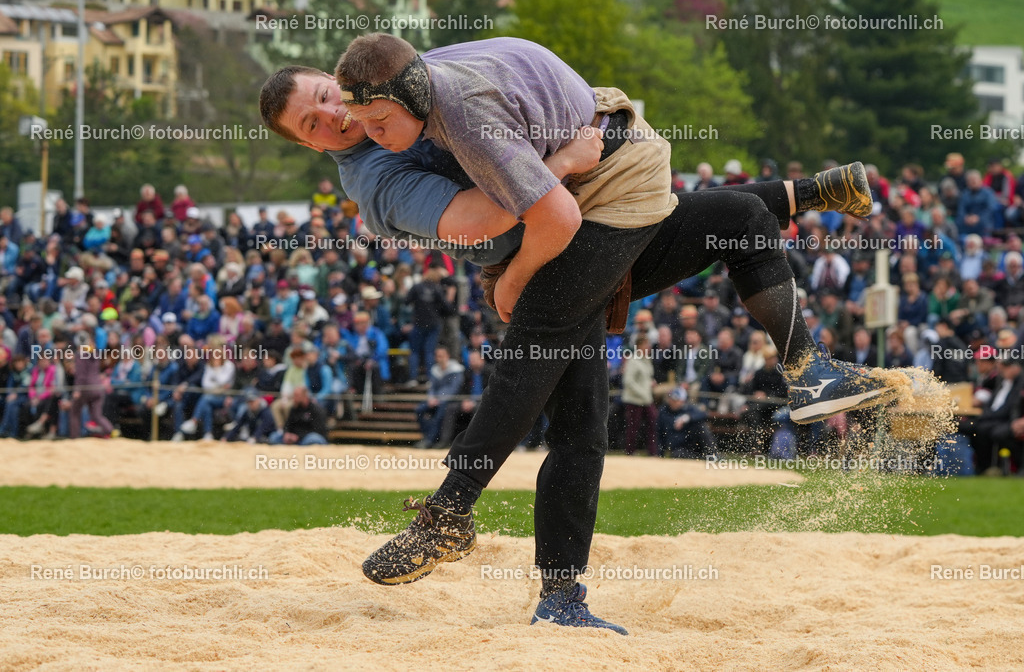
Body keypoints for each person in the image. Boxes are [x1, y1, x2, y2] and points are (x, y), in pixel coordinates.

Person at [260, 41, 891, 633]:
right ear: (308, 146)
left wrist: (566, 143)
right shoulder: (378, 180)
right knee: (553, 400)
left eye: (325, 96)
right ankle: (473, 535)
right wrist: (561, 168)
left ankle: (807, 365)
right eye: (310, 124)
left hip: (589, 217)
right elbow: (488, 217)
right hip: (547, 244)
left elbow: (508, 94)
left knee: (740, 222)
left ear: (344, 81)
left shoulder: (416, 83)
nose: (332, 117)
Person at [414, 345, 465, 448]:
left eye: (441, 356)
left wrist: (439, 399)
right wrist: (431, 398)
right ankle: (429, 437)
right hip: (435, 400)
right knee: (419, 410)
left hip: (450, 401)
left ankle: (429, 440)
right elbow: (432, 387)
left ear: (448, 356)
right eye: (437, 356)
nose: (439, 358)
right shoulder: (435, 369)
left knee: (441, 412)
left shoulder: (456, 370)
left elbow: (453, 389)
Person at [621, 337, 657, 456]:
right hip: (634, 399)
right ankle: (630, 452)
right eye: (646, 345)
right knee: (633, 427)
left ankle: (652, 452)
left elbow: (646, 377)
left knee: (652, 422)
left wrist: (650, 383)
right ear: (639, 346)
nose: (649, 348)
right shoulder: (633, 360)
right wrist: (642, 392)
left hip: (646, 399)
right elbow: (628, 381)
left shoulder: (646, 360)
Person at [656, 387, 715, 459]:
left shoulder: (688, 408)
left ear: (682, 401)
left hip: (693, 442)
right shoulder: (663, 412)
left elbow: (704, 414)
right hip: (680, 447)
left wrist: (687, 417)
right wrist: (660, 454)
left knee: (701, 426)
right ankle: (702, 458)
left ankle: (712, 455)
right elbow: (659, 434)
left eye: (677, 400)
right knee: (677, 454)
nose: (673, 402)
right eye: (672, 399)